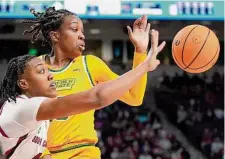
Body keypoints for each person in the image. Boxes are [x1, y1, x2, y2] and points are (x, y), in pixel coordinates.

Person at [22, 7, 166, 159]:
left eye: (82, 31)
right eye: (74, 29)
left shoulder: (90, 64)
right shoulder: (35, 68)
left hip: (83, 152)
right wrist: (43, 155)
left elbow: (134, 97)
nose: (82, 36)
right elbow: (27, 119)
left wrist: (140, 51)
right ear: (55, 35)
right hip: (44, 154)